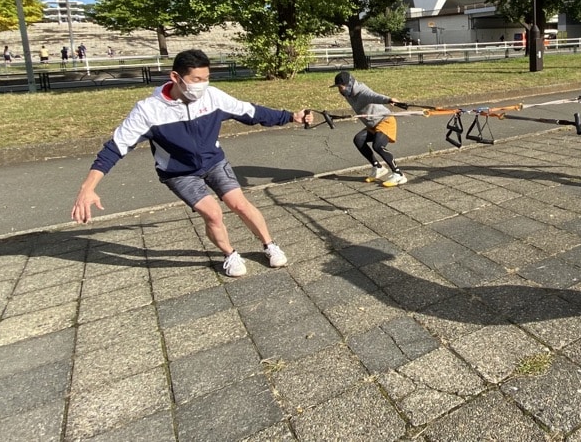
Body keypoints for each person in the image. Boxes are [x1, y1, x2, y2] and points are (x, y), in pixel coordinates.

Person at [71, 49, 311, 277]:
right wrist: (88, 188)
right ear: (175, 77)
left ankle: (269, 245)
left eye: (206, 78)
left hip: (214, 161)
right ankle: (230, 254)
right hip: (178, 172)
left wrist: (290, 116)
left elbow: (250, 112)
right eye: (196, 79)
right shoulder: (148, 111)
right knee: (213, 214)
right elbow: (115, 147)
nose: (202, 85)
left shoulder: (213, 96)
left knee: (240, 204)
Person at [333, 70, 408, 187]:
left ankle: (399, 174)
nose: (340, 90)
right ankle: (378, 167)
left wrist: (389, 100)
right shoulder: (348, 94)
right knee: (358, 140)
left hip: (385, 120)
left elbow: (374, 96)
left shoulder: (362, 91)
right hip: (373, 124)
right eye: (338, 87)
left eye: (341, 87)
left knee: (378, 146)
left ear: (350, 84)